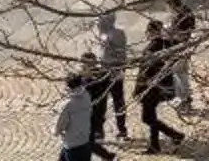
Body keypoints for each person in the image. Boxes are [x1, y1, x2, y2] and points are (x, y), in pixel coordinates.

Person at [136, 18, 185, 151]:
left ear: (151, 31)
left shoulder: (154, 46)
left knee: (147, 118)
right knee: (151, 117)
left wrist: (141, 88)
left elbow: (146, 70)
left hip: (151, 87)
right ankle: (155, 145)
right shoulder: (166, 44)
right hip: (156, 86)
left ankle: (174, 135)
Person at [92, 12, 132, 142]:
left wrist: (120, 68)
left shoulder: (117, 34)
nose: (97, 25)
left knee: (117, 101)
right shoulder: (103, 34)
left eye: (99, 23)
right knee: (101, 102)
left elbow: (121, 54)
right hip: (102, 72)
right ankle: (99, 130)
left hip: (114, 72)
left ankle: (121, 129)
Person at [57, 70, 113, 161]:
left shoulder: (68, 104)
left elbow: (59, 125)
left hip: (74, 143)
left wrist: (57, 131)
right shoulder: (85, 95)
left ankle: (108, 156)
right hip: (82, 138)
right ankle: (108, 156)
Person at [164, 0, 197, 111]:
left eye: (168, 6)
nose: (168, 10)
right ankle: (186, 99)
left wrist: (168, 32)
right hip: (186, 48)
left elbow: (180, 35)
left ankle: (185, 101)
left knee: (179, 75)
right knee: (182, 75)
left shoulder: (179, 17)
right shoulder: (187, 11)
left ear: (172, 5)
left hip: (179, 49)